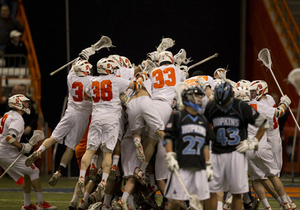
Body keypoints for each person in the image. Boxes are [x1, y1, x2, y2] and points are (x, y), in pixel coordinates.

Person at [25, 59, 94, 188]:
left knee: (53, 138)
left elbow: (74, 67)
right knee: (70, 147)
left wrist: (82, 56)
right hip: (82, 117)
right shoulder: (91, 81)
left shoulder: (71, 77)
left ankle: (38, 152)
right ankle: (59, 171)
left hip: (69, 113)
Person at [203, 81, 269, 210]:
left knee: (237, 192)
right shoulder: (212, 106)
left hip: (236, 153)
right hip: (217, 153)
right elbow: (203, 129)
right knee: (212, 191)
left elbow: (264, 123)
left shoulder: (240, 106)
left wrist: (254, 141)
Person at [0, 94, 57, 210]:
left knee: (27, 173)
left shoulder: (6, 115)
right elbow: (10, 138)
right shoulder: (17, 118)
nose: (27, 104)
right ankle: (41, 203)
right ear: (17, 104)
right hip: (7, 153)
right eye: (25, 102)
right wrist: (21, 147)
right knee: (34, 171)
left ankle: (27, 204)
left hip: (4, 151)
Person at [164, 85, 215, 210]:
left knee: (197, 203)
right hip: (181, 163)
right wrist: (170, 155)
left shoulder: (203, 119)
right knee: (176, 201)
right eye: (197, 96)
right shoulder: (178, 116)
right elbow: (168, 137)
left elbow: (205, 144)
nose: (200, 99)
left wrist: (208, 163)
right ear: (189, 98)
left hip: (198, 164)